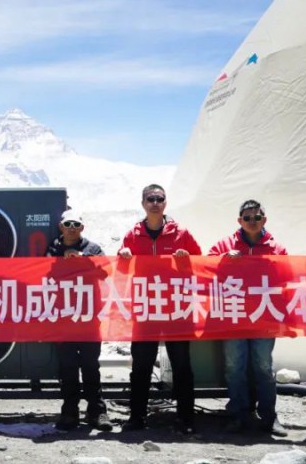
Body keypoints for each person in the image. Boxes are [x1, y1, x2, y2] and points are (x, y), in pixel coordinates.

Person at [117, 184, 202, 434]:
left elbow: (201, 265)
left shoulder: (182, 233)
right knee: (141, 365)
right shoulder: (132, 235)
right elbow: (122, 272)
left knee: (182, 365)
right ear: (143, 203)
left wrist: (187, 260)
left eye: (160, 199)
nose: (155, 202)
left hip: (176, 305)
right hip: (145, 306)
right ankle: (136, 417)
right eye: (150, 199)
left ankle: (186, 417)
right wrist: (122, 257)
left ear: (166, 203)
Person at [207, 200, 288, 436]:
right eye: (247, 217)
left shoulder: (276, 248)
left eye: (257, 217)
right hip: (234, 316)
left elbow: (286, 278)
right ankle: (238, 414)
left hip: (264, 317)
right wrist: (223, 258)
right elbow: (206, 266)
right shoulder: (225, 244)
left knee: (263, 367)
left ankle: (269, 417)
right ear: (239, 221)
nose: (252, 221)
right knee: (234, 367)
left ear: (265, 219)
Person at [46, 209, 112, 432]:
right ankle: (69, 412)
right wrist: (60, 262)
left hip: (88, 316)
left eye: (76, 224)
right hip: (63, 316)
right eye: (68, 224)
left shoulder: (93, 249)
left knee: (91, 365)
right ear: (61, 227)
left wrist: (84, 261)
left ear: (82, 228)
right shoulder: (53, 248)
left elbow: (106, 272)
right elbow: (43, 274)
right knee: (67, 367)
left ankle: (97, 411)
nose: (72, 228)